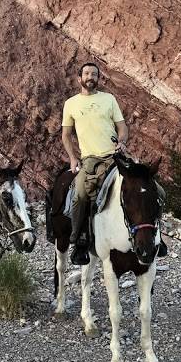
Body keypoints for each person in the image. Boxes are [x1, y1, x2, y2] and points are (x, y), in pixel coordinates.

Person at [61, 63, 127, 266]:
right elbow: (66, 135)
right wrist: (73, 158)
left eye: (94, 74)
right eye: (87, 73)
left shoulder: (109, 99)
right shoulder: (71, 103)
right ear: (79, 78)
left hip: (113, 157)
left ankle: (152, 236)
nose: (91, 77)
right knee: (80, 194)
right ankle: (79, 241)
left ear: (98, 78)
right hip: (89, 159)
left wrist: (122, 142)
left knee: (151, 188)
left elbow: (122, 127)